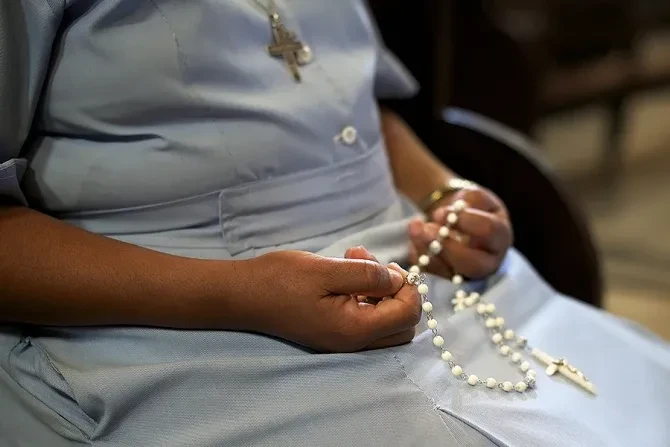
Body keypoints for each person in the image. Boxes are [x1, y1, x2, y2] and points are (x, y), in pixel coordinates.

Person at [1, 1, 668, 446]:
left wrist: (444, 190)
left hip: (437, 274)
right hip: (184, 319)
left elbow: (349, 100)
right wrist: (238, 293)